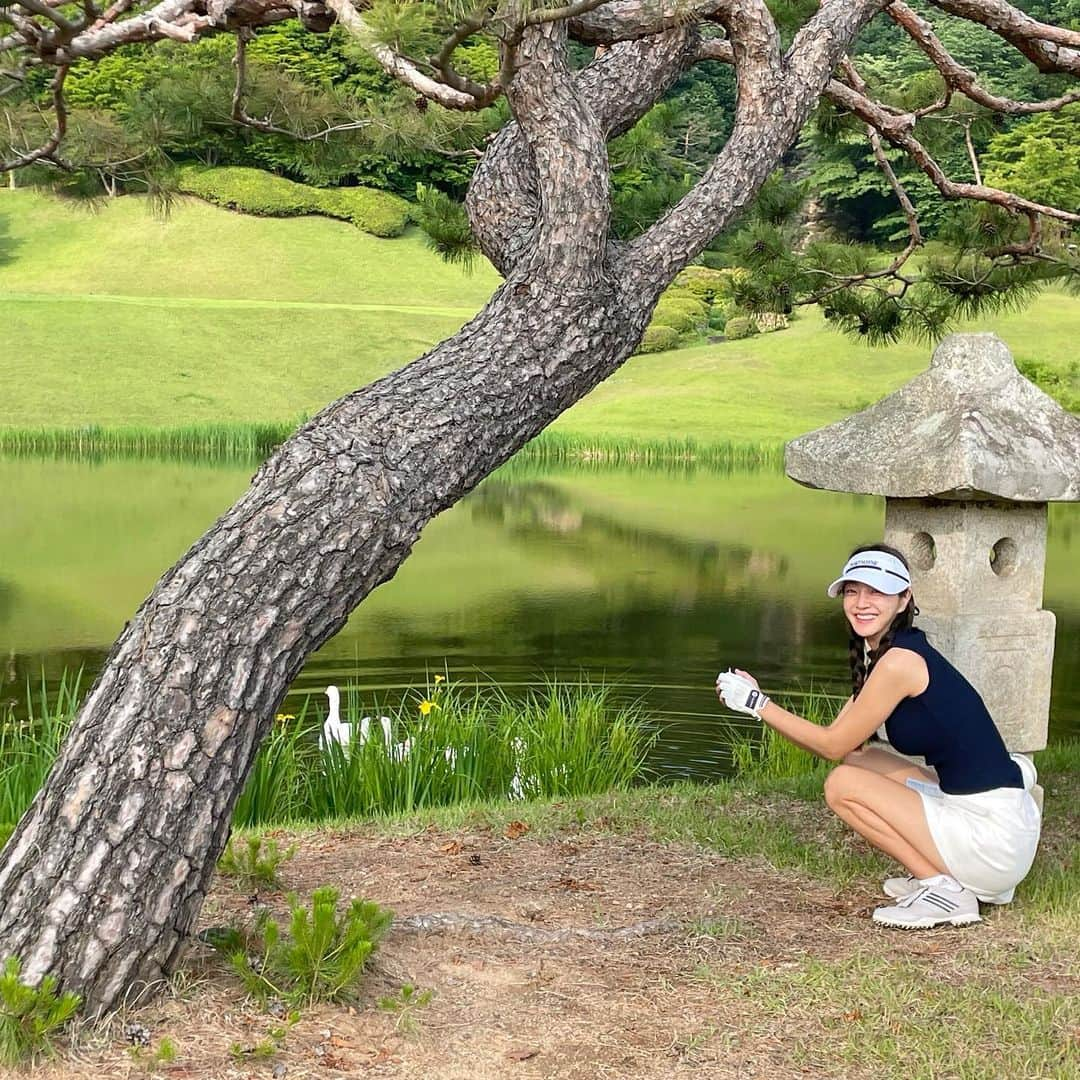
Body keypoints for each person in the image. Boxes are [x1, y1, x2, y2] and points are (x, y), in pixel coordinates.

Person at [716, 544, 1042, 929]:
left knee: (841, 784)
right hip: (993, 822)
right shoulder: (890, 654)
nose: (861, 603)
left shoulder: (900, 663)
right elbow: (844, 744)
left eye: (877, 592)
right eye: (852, 591)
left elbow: (830, 746)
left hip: (992, 839)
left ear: (904, 599)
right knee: (860, 761)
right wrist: (762, 703)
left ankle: (944, 888)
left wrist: (757, 703)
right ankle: (949, 875)